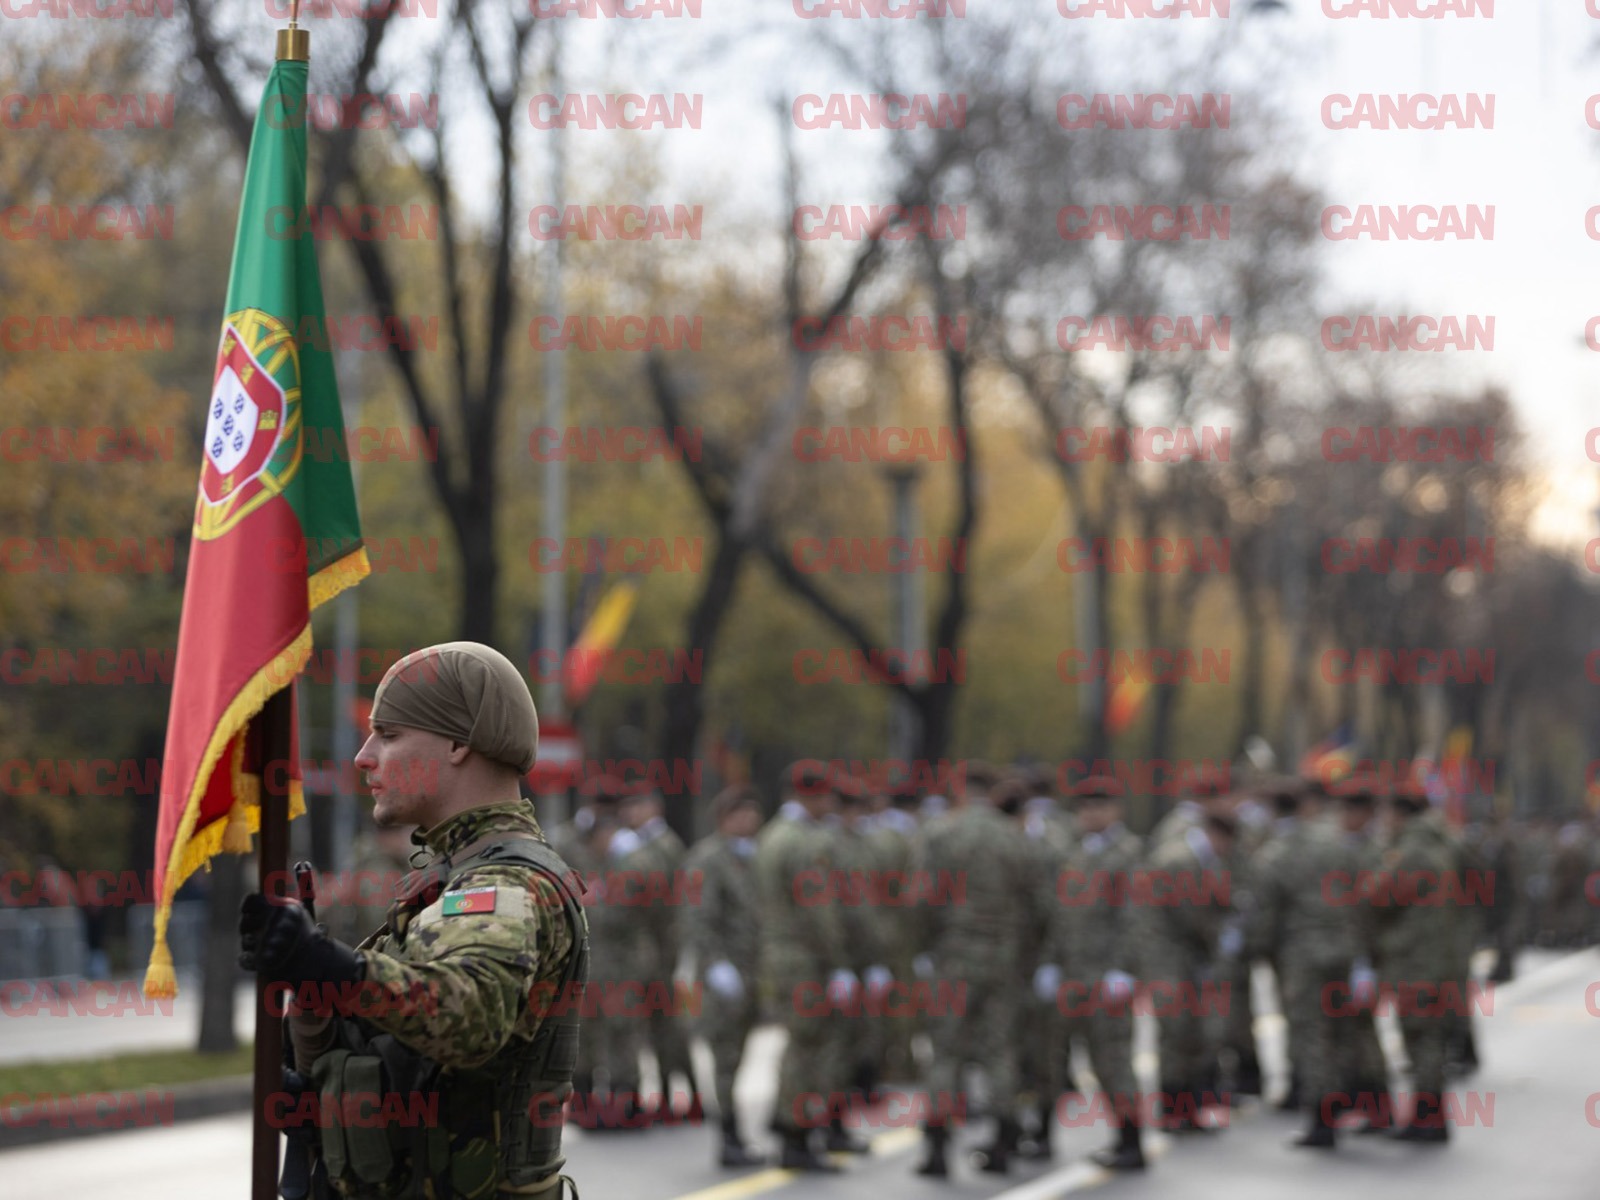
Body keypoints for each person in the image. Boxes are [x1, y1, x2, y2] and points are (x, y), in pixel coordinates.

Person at [238, 641, 589, 1198]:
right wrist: (327, 1082)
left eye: (389, 734)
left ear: (458, 742)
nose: (364, 756)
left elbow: (470, 1016)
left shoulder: (505, 884)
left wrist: (332, 967)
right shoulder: (449, 877)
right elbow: (415, 1066)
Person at [912, 763, 1031, 1178]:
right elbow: (1035, 903)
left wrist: (923, 948)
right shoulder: (1013, 838)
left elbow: (922, 899)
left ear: (960, 791)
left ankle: (937, 1146)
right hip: (1002, 957)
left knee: (946, 1054)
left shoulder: (942, 835)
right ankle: (1002, 1140)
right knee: (999, 1052)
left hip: (953, 957)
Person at [1034, 775, 1145, 1169]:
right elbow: (1060, 914)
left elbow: (1136, 916)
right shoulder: (1076, 853)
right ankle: (1041, 1136)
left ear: (1115, 810)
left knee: (1112, 1061)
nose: (1090, 814)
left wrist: (1124, 969)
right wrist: (1050, 961)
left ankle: (1130, 1141)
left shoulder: (1128, 854)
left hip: (1104, 975)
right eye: (1084, 807)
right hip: (1070, 973)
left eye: (1098, 806)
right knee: (1051, 1058)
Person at [755, 761, 856, 1171]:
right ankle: (796, 1134)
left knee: (798, 1043)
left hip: (781, 955)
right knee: (811, 1049)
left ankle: (789, 1127)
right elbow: (819, 909)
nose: (831, 803)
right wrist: (839, 962)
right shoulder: (804, 842)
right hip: (807, 958)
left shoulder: (773, 835)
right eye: (827, 795)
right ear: (812, 795)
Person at [680, 785, 766, 1167]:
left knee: (742, 1053)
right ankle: (729, 1134)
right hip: (723, 974)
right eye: (739, 814)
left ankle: (739, 1133)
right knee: (725, 1056)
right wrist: (715, 963)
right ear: (723, 819)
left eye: (751, 813)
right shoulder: (707, 859)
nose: (747, 821)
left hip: (753, 971)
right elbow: (697, 917)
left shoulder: (754, 857)